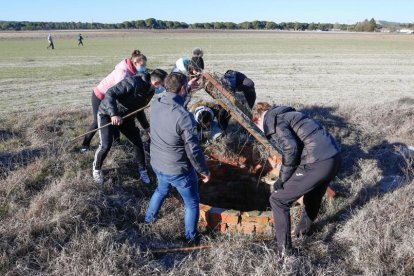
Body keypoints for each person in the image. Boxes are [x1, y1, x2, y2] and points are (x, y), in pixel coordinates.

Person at [251, 102, 341, 254]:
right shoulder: (288, 114)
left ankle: (284, 253)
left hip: (317, 161)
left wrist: (283, 179)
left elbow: (291, 149)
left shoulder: (272, 120)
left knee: (278, 200)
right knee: (313, 195)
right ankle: (303, 231)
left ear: (256, 120)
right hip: (334, 157)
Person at [145, 72, 210, 245]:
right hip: (178, 169)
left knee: (161, 190)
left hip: (158, 163)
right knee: (192, 203)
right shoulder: (184, 117)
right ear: (181, 89)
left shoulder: (156, 104)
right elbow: (193, 150)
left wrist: (187, 88)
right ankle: (191, 238)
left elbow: (174, 100)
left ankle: (148, 220)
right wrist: (204, 171)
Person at [92, 69, 168, 185]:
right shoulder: (133, 82)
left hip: (126, 117)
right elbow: (110, 93)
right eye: (163, 85)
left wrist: (146, 127)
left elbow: (139, 109)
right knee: (106, 145)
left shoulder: (150, 90)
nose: (164, 88)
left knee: (138, 143)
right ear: (157, 83)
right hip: (107, 114)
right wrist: (114, 114)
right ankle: (96, 169)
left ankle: (142, 170)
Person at [80, 50, 147, 152]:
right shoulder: (123, 73)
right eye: (142, 65)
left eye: (145, 64)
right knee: (97, 121)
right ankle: (85, 145)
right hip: (101, 95)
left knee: (116, 118)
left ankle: (117, 143)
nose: (144, 66)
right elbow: (115, 93)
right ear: (135, 63)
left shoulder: (133, 70)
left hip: (111, 97)